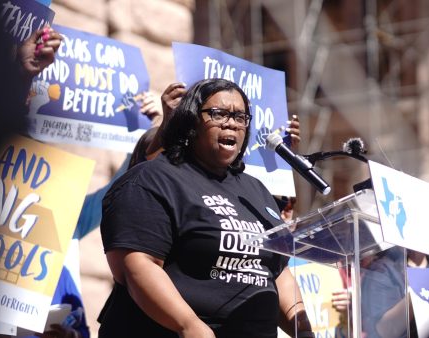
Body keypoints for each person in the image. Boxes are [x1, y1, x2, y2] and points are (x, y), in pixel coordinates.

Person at [98, 78, 313, 337]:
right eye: (218, 113)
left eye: (240, 116)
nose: (231, 122)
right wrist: (189, 326)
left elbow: (276, 271)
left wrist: (303, 331)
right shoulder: (153, 179)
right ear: (191, 121)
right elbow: (138, 265)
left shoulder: (257, 191)